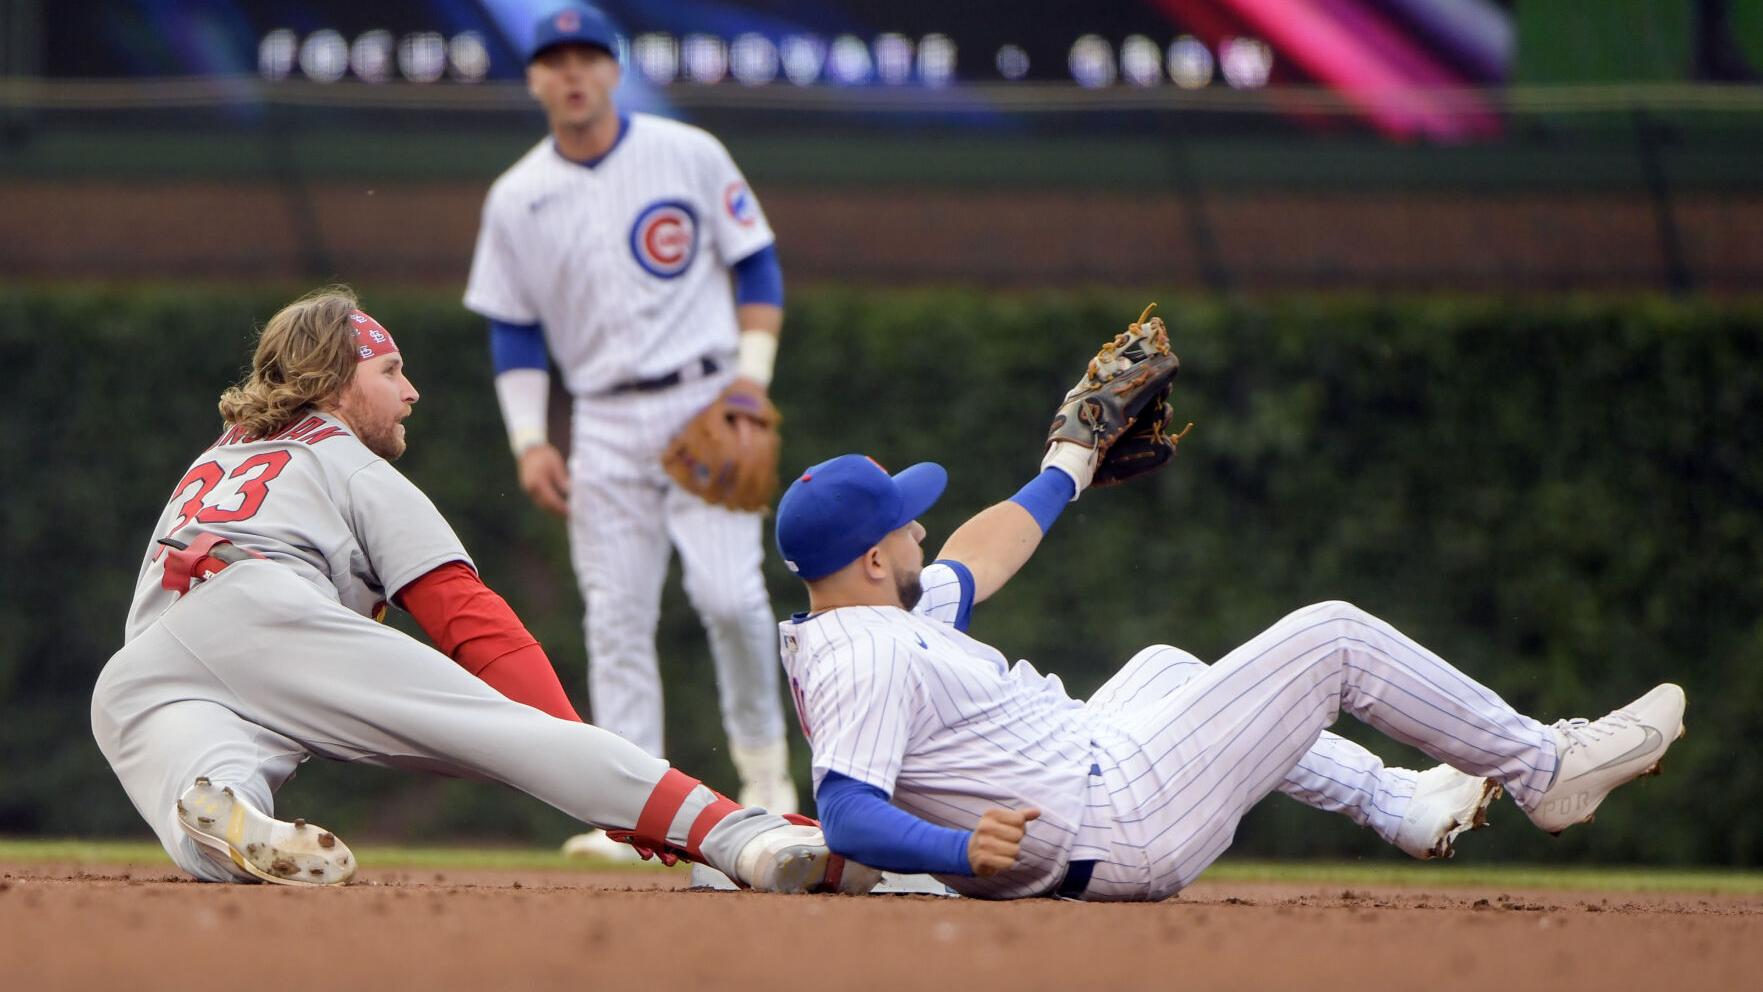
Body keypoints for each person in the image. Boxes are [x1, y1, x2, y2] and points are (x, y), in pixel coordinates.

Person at [89, 287, 873, 895]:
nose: (412, 391)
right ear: (333, 383)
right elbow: (472, 623)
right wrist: (586, 760)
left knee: (207, 816)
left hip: (142, 673)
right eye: (390, 371)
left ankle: (229, 815)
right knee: (513, 735)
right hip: (263, 615)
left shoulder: (213, 460)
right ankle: (749, 837)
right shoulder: (344, 458)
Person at [770, 449, 1687, 900]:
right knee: (1333, 638)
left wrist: (1069, 464)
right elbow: (847, 806)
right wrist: (954, 852)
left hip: (1091, 778)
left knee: (1164, 668)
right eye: (902, 522)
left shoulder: (875, 613)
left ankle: (1397, 804)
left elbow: (981, 553)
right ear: (871, 558)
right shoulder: (869, 653)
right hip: (1113, 821)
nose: (919, 529)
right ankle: (1543, 771)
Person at [463, 3, 796, 858]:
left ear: (612, 69)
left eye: (585, 57)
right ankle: (638, 811)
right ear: (534, 78)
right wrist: (530, 439)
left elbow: (755, 261)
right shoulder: (516, 196)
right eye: (553, 60)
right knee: (615, 616)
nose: (570, 73)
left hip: (703, 401)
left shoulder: (685, 153)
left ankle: (767, 782)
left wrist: (749, 386)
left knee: (730, 599)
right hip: (603, 418)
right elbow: (514, 327)